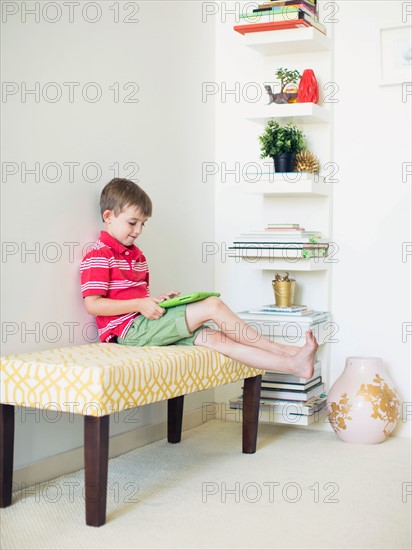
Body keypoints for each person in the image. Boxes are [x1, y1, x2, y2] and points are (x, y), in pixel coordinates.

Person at [80, 178, 318, 378]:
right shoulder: (99, 253)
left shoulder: (136, 255)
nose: (139, 230)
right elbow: (93, 305)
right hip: (127, 332)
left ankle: (293, 364)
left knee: (218, 340)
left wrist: (156, 301)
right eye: (132, 223)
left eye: (143, 224)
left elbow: (134, 298)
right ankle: (283, 350)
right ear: (109, 216)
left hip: (142, 324)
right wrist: (140, 304)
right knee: (212, 305)